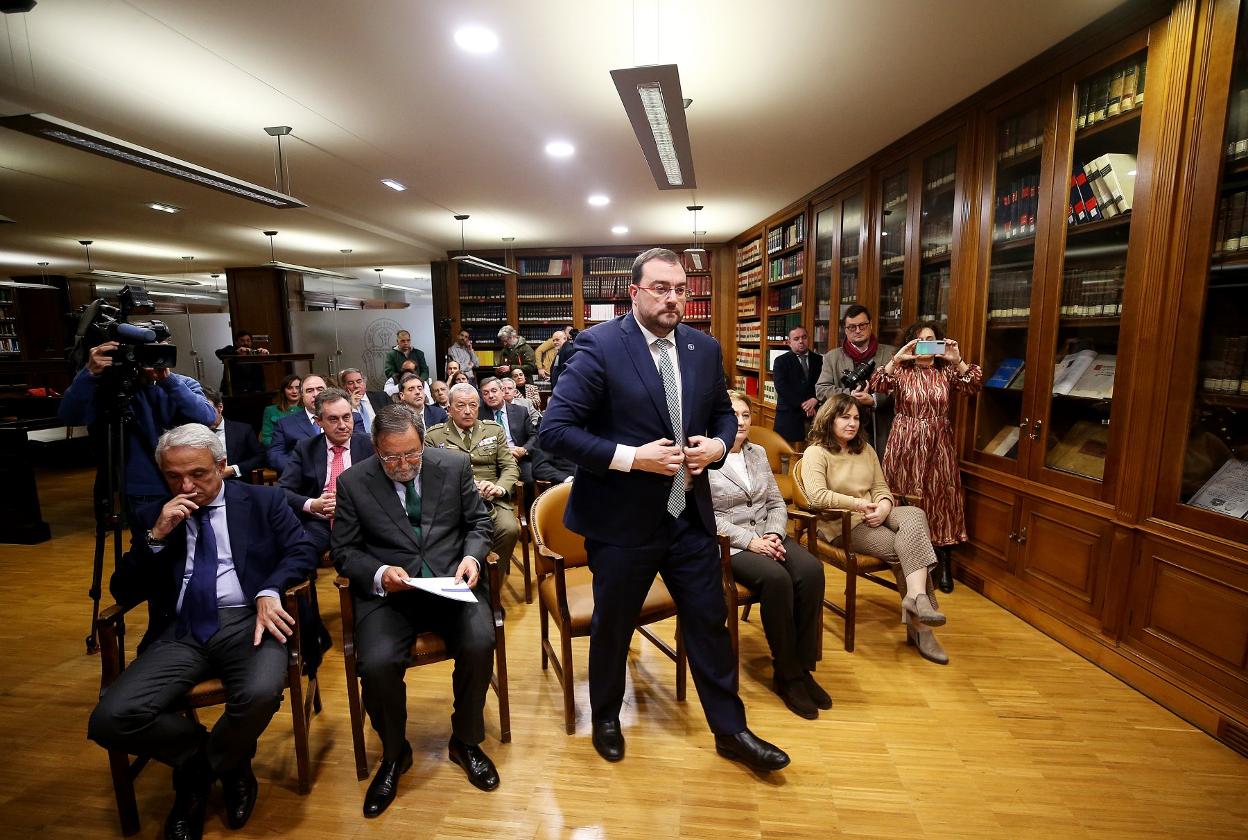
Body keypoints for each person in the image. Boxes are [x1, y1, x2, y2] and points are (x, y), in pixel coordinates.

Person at [539, 247, 789, 773]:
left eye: (680, 289)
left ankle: (731, 730)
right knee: (614, 625)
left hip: (688, 517)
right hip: (620, 522)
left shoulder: (702, 347)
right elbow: (556, 431)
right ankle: (605, 715)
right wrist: (633, 459)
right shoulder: (599, 346)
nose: (673, 297)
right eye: (660, 288)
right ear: (634, 292)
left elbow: (722, 414)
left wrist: (717, 448)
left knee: (709, 622)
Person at [87, 423, 315, 840]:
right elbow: (122, 589)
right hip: (182, 628)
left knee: (261, 692)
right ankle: (219, 762)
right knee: (110, 718)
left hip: (250, 619)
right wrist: (156, 536)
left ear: (222, 466)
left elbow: (302, 549)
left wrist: (269, 588)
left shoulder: (263, 500)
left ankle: (193, 783)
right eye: (174, 477)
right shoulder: (154, 513)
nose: (187, 486)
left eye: (199, 474)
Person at [331, 405, 499, 812]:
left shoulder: (454, 465)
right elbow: (344, 551)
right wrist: (379, 571)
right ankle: (394, 754)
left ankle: (466, 740)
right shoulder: (354, 481)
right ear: (375, 448)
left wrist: (473, 559)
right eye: (392, 457)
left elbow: (479, 524)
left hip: (450, 584)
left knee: (480, 640)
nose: (404, 465)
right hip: (392, 595)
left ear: (423, 442)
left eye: (412, 454)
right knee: (376, 663)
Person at [797, 393, 950, 665]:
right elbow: (817, 496)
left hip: (874, 513)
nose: (852, 423)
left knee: (915, 514)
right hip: (842, 524)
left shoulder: (865, 449)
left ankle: (916, 598)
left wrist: (883, 506)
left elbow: (880, 487)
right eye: (844, 417)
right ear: (829, 418)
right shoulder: (816, 452)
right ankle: (921, 629)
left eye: (856, 418)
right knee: (908, 547)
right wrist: (859, 505)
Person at [708, 391, 828, 719]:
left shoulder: (758, 453)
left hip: (770, 534)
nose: (741, 421)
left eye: (746, 415)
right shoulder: (706, 458)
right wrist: (752, 541)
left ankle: (803, 669)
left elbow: (776, 501)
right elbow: (707, 517)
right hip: (732, 545)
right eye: (733, 414)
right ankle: (786, 675)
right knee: (777, 580)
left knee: (812, 571)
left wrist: (774, 533)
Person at [869, 320, 982, 593]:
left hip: (938, 441)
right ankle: (906, 555)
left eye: (932, 339)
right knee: (902, 492)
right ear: (912, 343)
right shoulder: (902, 371)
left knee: (941, 497)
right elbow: (876, 382)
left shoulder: (946, 371)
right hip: (904, 440)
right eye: (921, 340)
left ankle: (943, 560)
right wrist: (897, 358)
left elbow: (974, 385)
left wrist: (958, 360)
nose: (927, 345)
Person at [59, 339, 218, 517]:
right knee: (151, 541)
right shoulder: (113, 390)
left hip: (188, 482)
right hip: (144, 486)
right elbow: (70, 416)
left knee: (198, 538)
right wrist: (88, 374)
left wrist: (168, 380)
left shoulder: (182, 384)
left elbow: (208, 417)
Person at [425, 383, 521, 569]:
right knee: (448, 535)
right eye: (461, 405)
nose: (468, 411)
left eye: (473, 405)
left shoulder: (494, 430)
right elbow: (430, 477)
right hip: (452, 503)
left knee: (509, 529)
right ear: (449, 408)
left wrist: (499, 487)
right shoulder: (434, 437)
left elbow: (509, 466)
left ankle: (491, 583)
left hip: (491, 499)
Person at [277, 387, 374, 555]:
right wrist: (313, 504)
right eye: (333, 419)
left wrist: (351, 506)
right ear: (319, 421)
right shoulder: (305, 448)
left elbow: (385, 489)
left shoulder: (370, 445)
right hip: (320, 522)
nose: (343, 425)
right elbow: (283, 491)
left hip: (362, 521)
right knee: (300, 552)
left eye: (346, 417)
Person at [814, 305, 897, 455]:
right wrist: (850, 396)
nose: (858, 330)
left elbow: (902, 391)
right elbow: (821, 389)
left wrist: (874, 400)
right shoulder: (832, 357)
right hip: (844, 430)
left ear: (870, 325)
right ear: (845, 330)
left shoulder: (891, 354)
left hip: (880, 427)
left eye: (862, 325)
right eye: (852, 327)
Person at [268, 375, 362, 476]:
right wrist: (300, 468)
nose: (316, 394)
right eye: (309, 391)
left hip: (348, 475)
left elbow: (361, 447)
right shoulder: (285, 424)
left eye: (320, 389)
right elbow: (275, 455)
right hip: (305, 481)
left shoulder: (351, 418)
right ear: (301, 395)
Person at [480, 376, 538, 490]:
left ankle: (527, 508)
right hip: (490, 461)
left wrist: (524, 450)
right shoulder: (478, 415)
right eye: (485, 393)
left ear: (502, 391)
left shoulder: (520, 411)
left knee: (531, 479)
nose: (490, 395)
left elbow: (534, 436)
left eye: (494, 391)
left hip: (518, 458)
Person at [771, 326, 822, 445]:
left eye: (804, 337)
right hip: (789, 414)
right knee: (784, 455)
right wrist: (805, 405)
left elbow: (824, 383)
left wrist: (815, 399)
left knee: (812, 451)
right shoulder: (780, 361)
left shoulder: (820, 360)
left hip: (815, 414)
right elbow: (781, 387)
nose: (801, 341)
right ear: (789, 342)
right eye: (796, 338)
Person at [203, 387, 266, 481]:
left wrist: (233, 469)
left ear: (220, 407)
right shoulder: (192, 433)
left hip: (235, 482)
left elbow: (260, 457)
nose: (205, 416)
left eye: (208, 410)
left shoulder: (243, 430)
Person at [215, 331, 270, 395]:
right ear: (236, 342)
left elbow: (269, 362)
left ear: (251, 342)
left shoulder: (255, 352)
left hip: (255, 390)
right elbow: (218, 352)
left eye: (248, 340)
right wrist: (236, 352)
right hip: (234, 391)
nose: (245, 343)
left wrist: (266, 354)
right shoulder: (230, 350)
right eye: (242, 340)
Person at [339, 368, 389, 435]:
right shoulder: (342, 404)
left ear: (364, 383)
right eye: (351, 383)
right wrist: (353, 407)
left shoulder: (382, 397)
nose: (356, 386)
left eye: (359, 381)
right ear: (344, 387)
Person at [261, 374, 303, 448]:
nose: (294, 391)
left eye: (297, 387)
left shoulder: (308, 409)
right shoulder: (270, 410)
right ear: (283, 390)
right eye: (289, 388)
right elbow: (266, 438)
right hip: (280, 453)